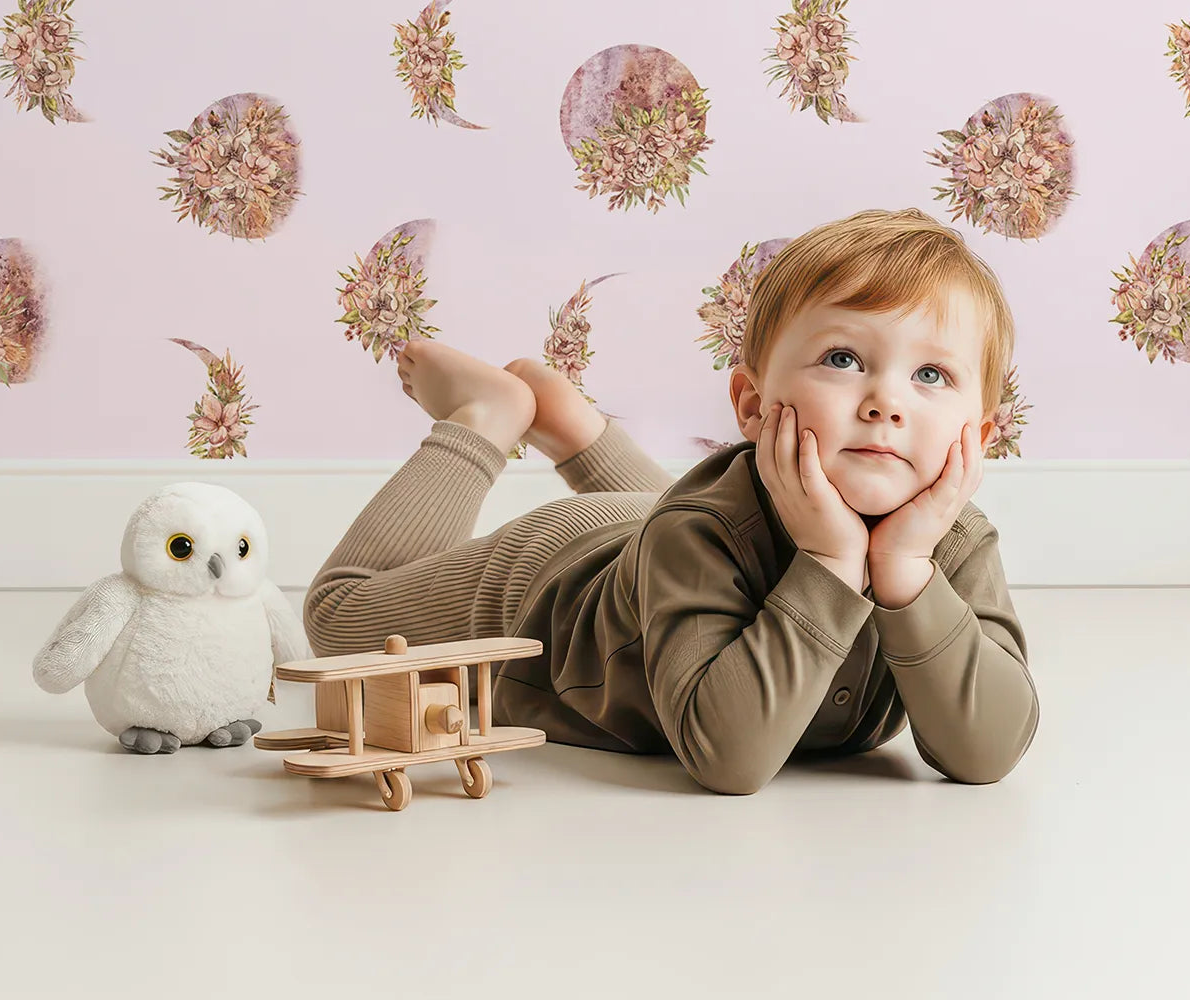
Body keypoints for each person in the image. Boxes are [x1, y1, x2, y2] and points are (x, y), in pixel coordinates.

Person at [303, 207, 1040, 794]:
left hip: (660, 532)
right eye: (843, 360)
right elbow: (728, 758)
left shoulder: (956, 540)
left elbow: (989, 754)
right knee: (337, 620)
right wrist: (829, 560)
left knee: (696, 521)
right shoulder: (697, 533)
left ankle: (576, 429)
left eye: (932, 376)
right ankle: (487, 417)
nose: (885, 402)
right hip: (551, 577)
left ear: (977, 433)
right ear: (752, 405)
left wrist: (907, 570)